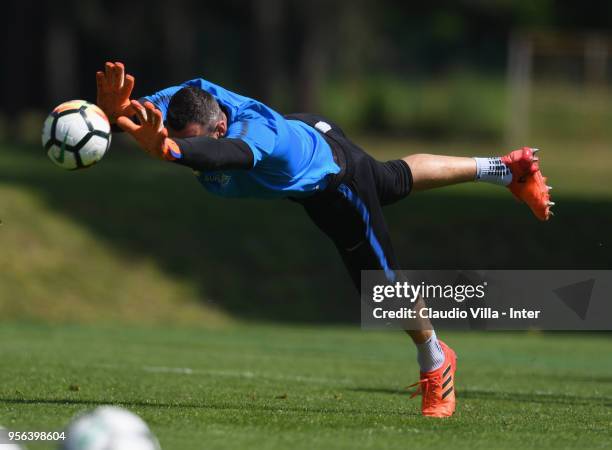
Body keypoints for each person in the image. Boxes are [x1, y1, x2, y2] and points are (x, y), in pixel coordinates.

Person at [96, 61, 553, 418]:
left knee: (383, 293)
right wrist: (101, 112)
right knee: (392, 179)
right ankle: (505, 170)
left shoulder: (255, 137)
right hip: (314, 133)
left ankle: (436, 360)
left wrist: (172, 151)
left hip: (337, 187)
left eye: (194, 144)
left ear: (218, 127)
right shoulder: (188, 98)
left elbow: (226, 154)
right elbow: (134, 116)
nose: (194, 159)